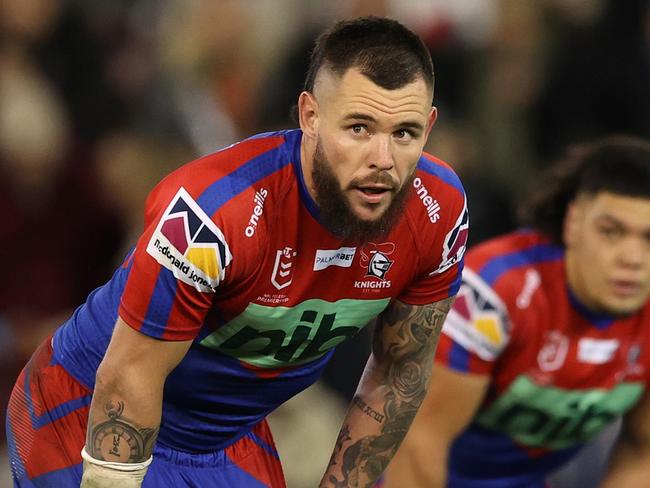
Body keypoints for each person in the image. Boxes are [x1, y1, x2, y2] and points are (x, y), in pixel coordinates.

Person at [6, 16, 469, 488]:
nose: (382, 160)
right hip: (86, 410)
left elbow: (398, 374)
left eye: (404, 133)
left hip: (223, 438)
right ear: (309, 116)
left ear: (429, 126)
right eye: (358, 128)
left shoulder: (441, 213)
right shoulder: (214, 211)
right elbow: (129, 376)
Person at [383, 136, 650, 487]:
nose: (632, 259)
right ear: (572, 223)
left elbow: (640, 449)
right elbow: (420, 443)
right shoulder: (495, 291)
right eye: (611, 232)